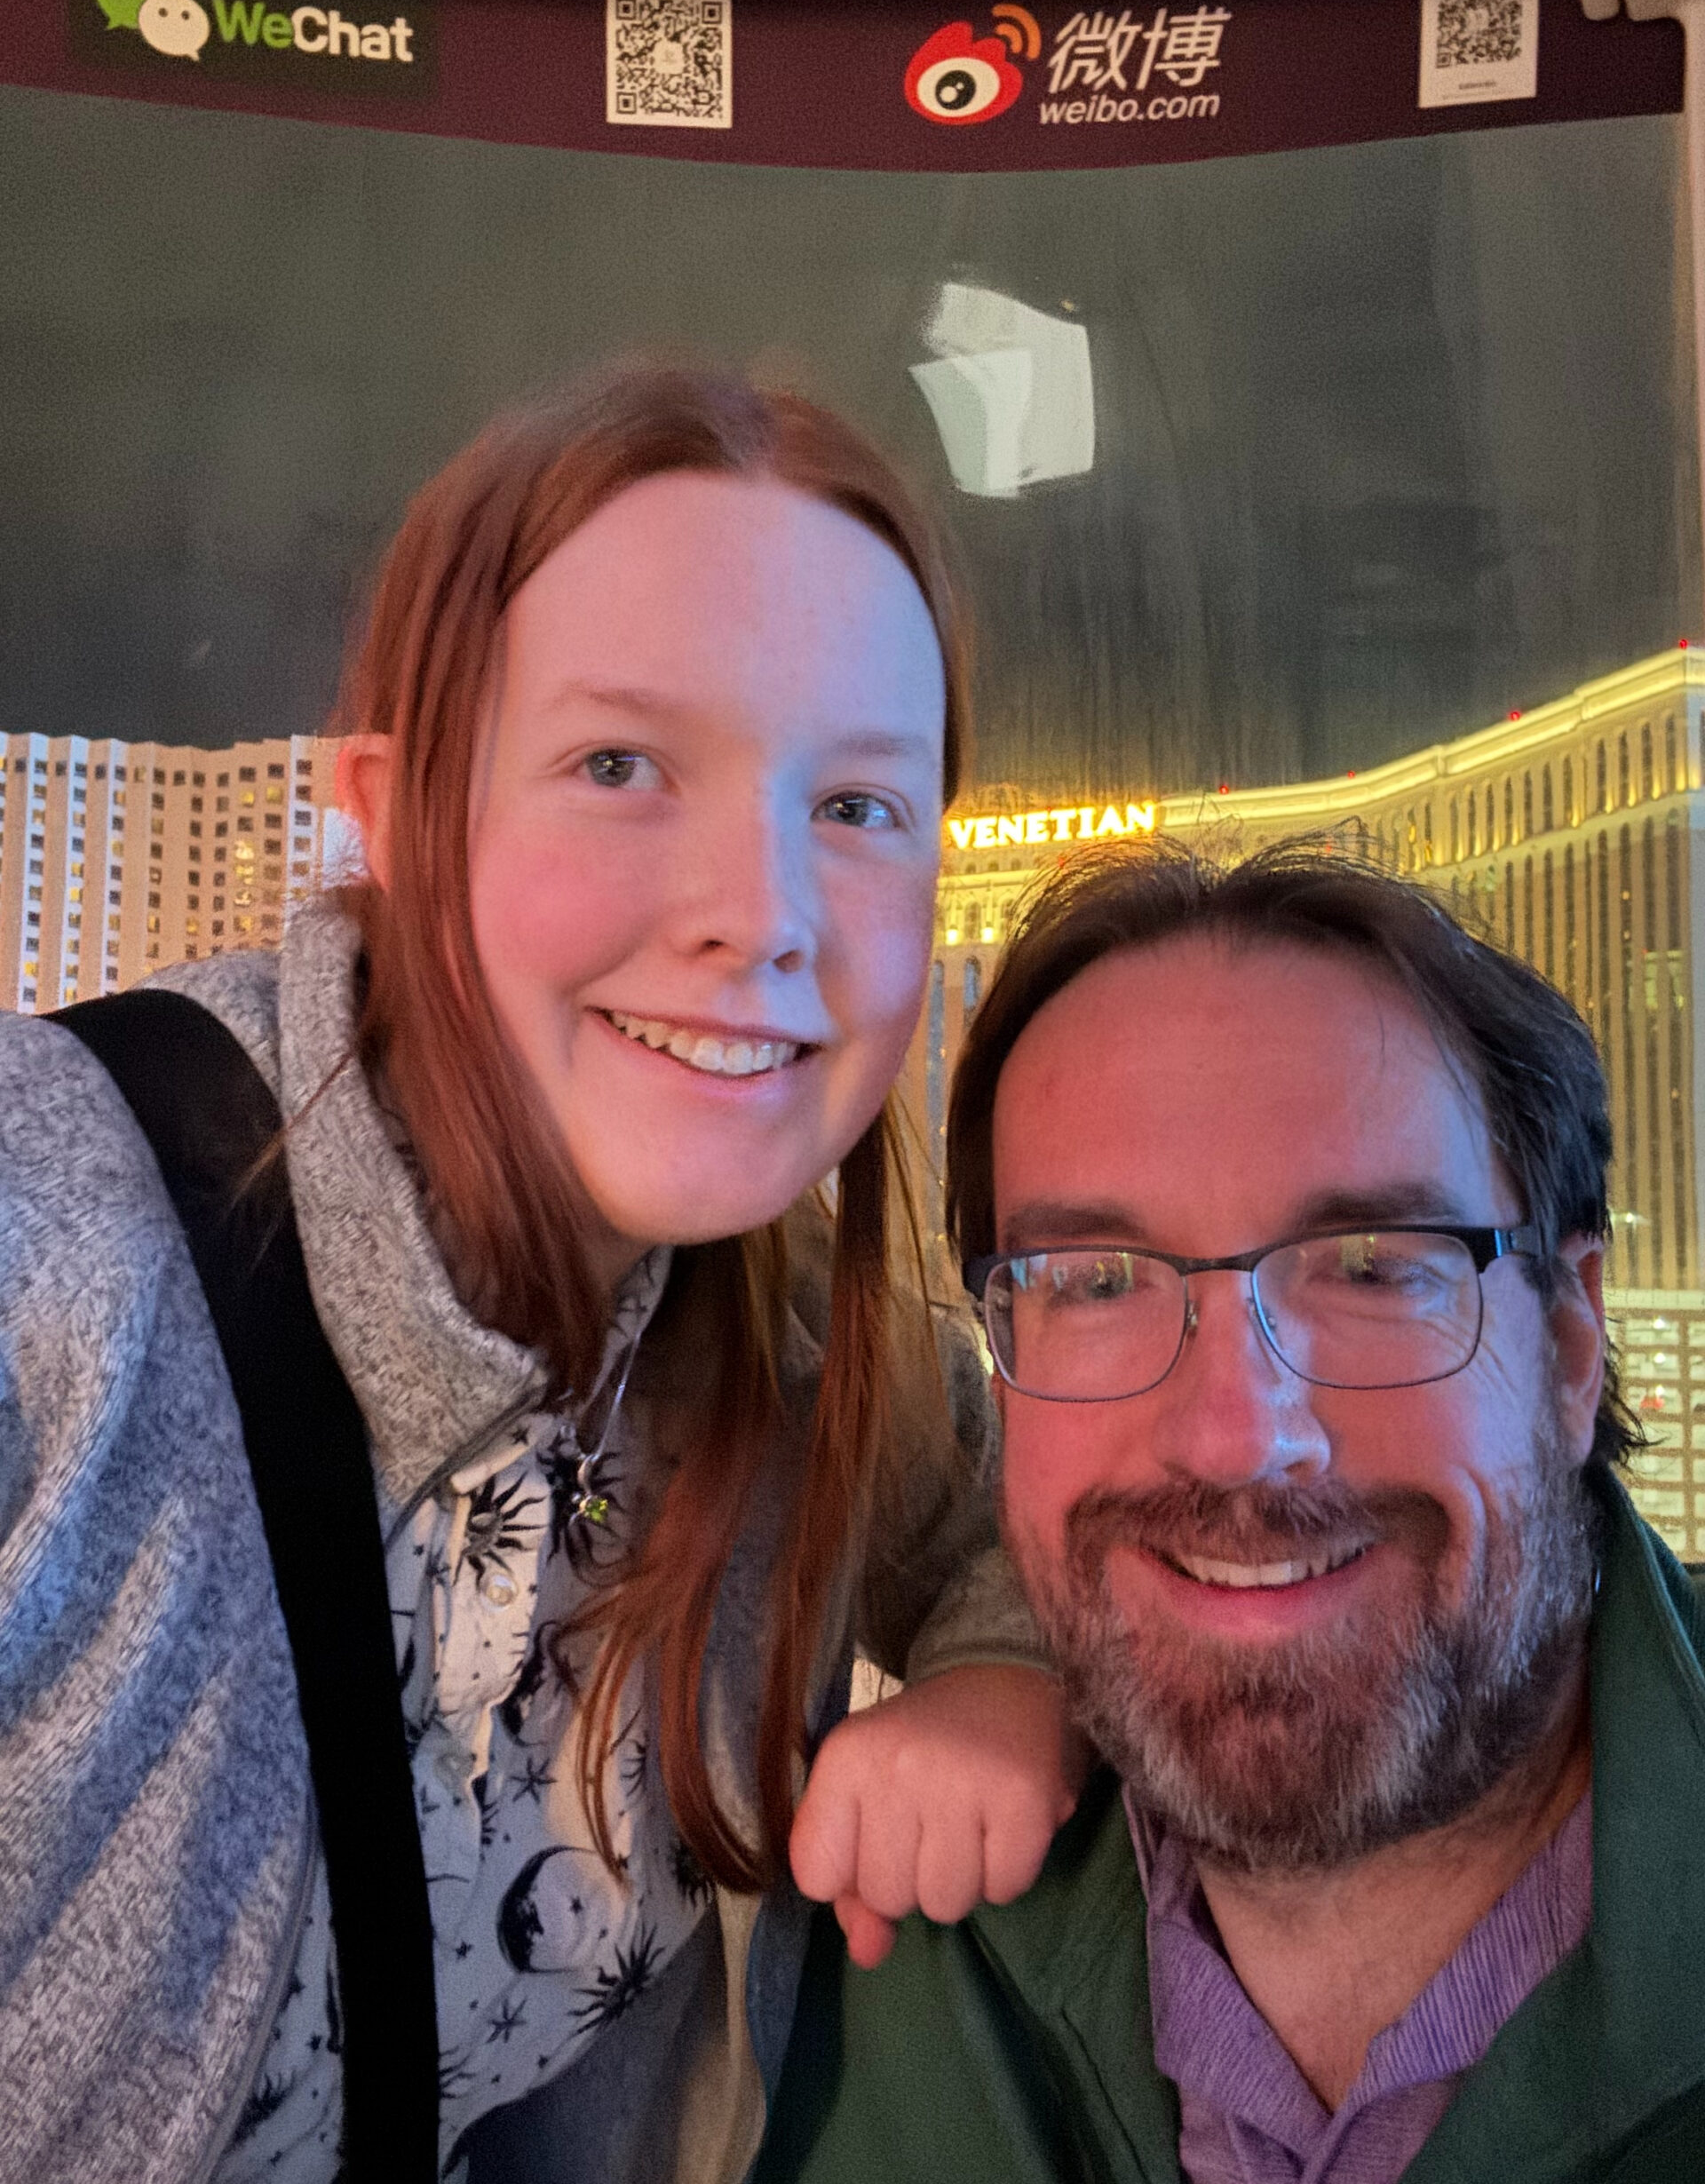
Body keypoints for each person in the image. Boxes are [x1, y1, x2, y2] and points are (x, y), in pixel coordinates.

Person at [0, 370, 1082, 2184]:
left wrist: (999, 1690)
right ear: (397, 812)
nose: (763, 909)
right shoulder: (56, 1226)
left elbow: (1057, 1525)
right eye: (618, 765)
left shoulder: (791, 1336)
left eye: (863, 805)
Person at [759, 841, 1705, 2184]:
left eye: (1373, 1268)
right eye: (1093, 1283)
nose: (1236, 1435)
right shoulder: (859, 1975)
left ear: (1567, 1343)